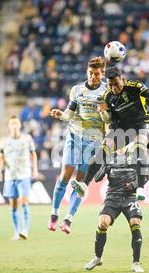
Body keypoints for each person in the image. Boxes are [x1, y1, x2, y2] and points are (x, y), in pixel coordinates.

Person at [71, 66, 149, 201]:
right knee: (103, 150)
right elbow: (110, 120)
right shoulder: (108, 96)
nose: (114, 88)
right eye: (110, 85)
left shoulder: (135, 86)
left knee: (138, 148)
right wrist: (103, 114)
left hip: (142, 124)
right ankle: (84, 186)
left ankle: (140, 187)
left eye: (116, 84)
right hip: (123, 128)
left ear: (122, 79)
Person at [48, 57, 107, 234]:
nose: (93, 77)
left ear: (102, 74)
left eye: (97, 74)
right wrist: (60, 114)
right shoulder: (77, 90)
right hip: (75, 135)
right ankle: (54, 214)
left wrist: (103, 113)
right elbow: (69, 114)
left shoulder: (106, 92)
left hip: (94, 141)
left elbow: (108, 120)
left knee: (80, 182)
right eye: (90, 73)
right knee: (66, 173)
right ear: (87, 72)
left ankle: (68, 219)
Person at [84, 153, 147, 273]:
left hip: (130, 197)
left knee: (135, 222)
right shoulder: (109, 157)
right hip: (112, 196)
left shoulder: (134, 156)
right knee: (102, 223)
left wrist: (134, 185)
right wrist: (104, 168)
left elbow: (145, 177)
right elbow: (97, 178)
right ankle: (97, 258)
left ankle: (136, 263)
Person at [0, 116, 38, 240]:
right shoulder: (4, 141)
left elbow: (33, 154)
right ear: (9, 126)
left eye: (16, 123)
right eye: (12, 123)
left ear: (19, 125)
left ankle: (25, 230)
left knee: (24, 202)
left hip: (24, 175)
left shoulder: (27, 139)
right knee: (13, 205)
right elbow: (1, 157)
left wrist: (35, 169)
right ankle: (16, 231)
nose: (14, 125)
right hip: (10, 176)